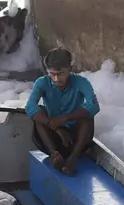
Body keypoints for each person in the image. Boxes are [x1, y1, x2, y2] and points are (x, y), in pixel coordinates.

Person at [25, 47, 100, 175]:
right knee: (39, 113)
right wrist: (58, 128)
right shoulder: (42, 83)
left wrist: (65, 118)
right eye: (52, 74)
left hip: (76, 139)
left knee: (88, 116)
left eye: (61, 74)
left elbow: (94, 106)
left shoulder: (81, 82)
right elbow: (30, 107)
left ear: (70, 70)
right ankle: (54, 155)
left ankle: (73, 159)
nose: (56, 79)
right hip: (52, 138)